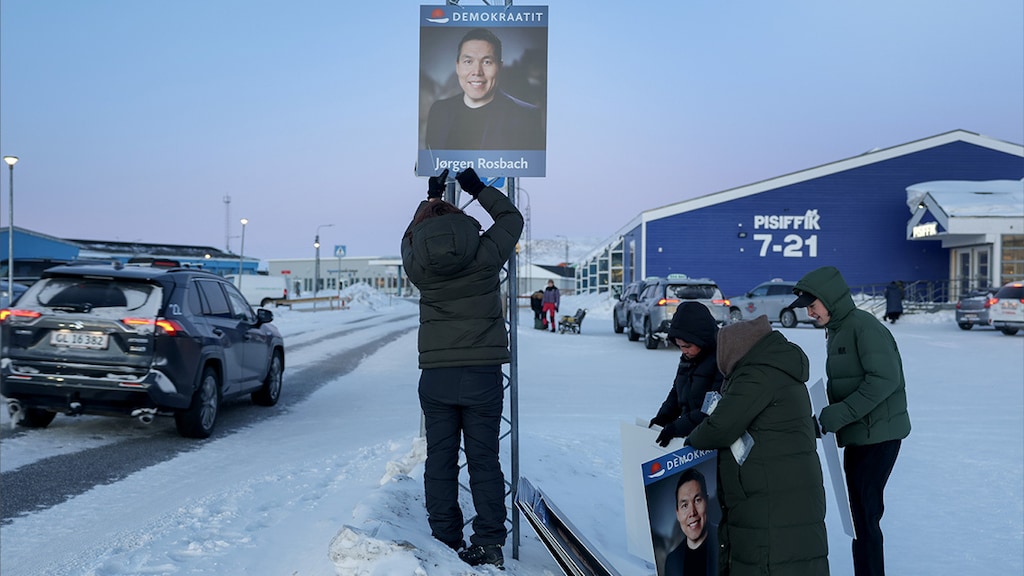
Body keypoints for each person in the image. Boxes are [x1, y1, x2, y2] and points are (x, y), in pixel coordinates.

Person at [401, 166, 524, 569]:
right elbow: (511, 218)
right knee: (484, 459)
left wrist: (431, 198)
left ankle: (445, 538)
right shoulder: (484, 253)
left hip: (436, 375)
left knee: (440, 459)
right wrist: (477, 187)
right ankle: (488, 542)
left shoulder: (419, 264)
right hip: (482, 373)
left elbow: (408, 237)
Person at [790, 266, 910, 576]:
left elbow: (884, 379)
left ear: (829, 298)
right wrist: (825, 413)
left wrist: (840, 413)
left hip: (878, 437)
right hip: (861, 435)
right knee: (859, 517)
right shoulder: (839, 328)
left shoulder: (863, 327)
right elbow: (849, 381)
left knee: (864, 518)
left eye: (812, 306)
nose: (809, 313)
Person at [687, 315, 829, 575]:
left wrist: (690, 441)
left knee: (771, 559)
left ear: (733, 350)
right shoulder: (776, 368)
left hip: (769, 492)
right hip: (786, 487)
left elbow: (719, 428)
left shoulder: (756, 376)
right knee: (793, 557)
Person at [425, 27, 544, 151]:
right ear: (457, 66)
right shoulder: (439, 111)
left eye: (487, 62)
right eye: (468, 62)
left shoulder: (526, 116)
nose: (477, 72)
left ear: (499, 67)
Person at [649, 302, 723, 447]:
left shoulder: (720, 361)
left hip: (709, 437)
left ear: (701, 340)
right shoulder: (688, 358)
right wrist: (664, 417)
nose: (684, 351)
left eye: (687, 346)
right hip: (688, 433)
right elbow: (677, 392)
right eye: (680, 346)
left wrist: (678, 428)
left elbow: (712, 408)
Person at [663, 468, 718, 576]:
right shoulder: (672, 561)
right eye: (684, 505)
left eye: (697, 500)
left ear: (706, 501)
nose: (692, 512)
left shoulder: (726, 537)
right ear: (677, 513)